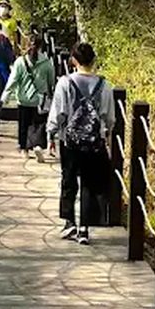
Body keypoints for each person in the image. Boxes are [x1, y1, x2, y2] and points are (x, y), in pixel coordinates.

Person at [47, 42, 115, 245]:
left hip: (70, 141)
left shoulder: (65, 83)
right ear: (93, 60)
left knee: (68, 180)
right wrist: (107, 134)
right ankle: (85, 227)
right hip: (94, 142)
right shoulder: (104, 85)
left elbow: (58, 113)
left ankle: (69, 223)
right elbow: (108, 116)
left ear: (73, 61)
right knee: (89, 183)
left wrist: (51, 134)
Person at [2, 37, 56, 161]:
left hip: (23, 98)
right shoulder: (47, 63)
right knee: (38, 124)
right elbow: (51, 81)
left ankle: (23, 148)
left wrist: (6, 95)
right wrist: (50, 94)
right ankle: (37, 145)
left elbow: (13, 80)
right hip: (39, 99)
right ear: (41, 47)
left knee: (23, 125)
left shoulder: (20, 62)